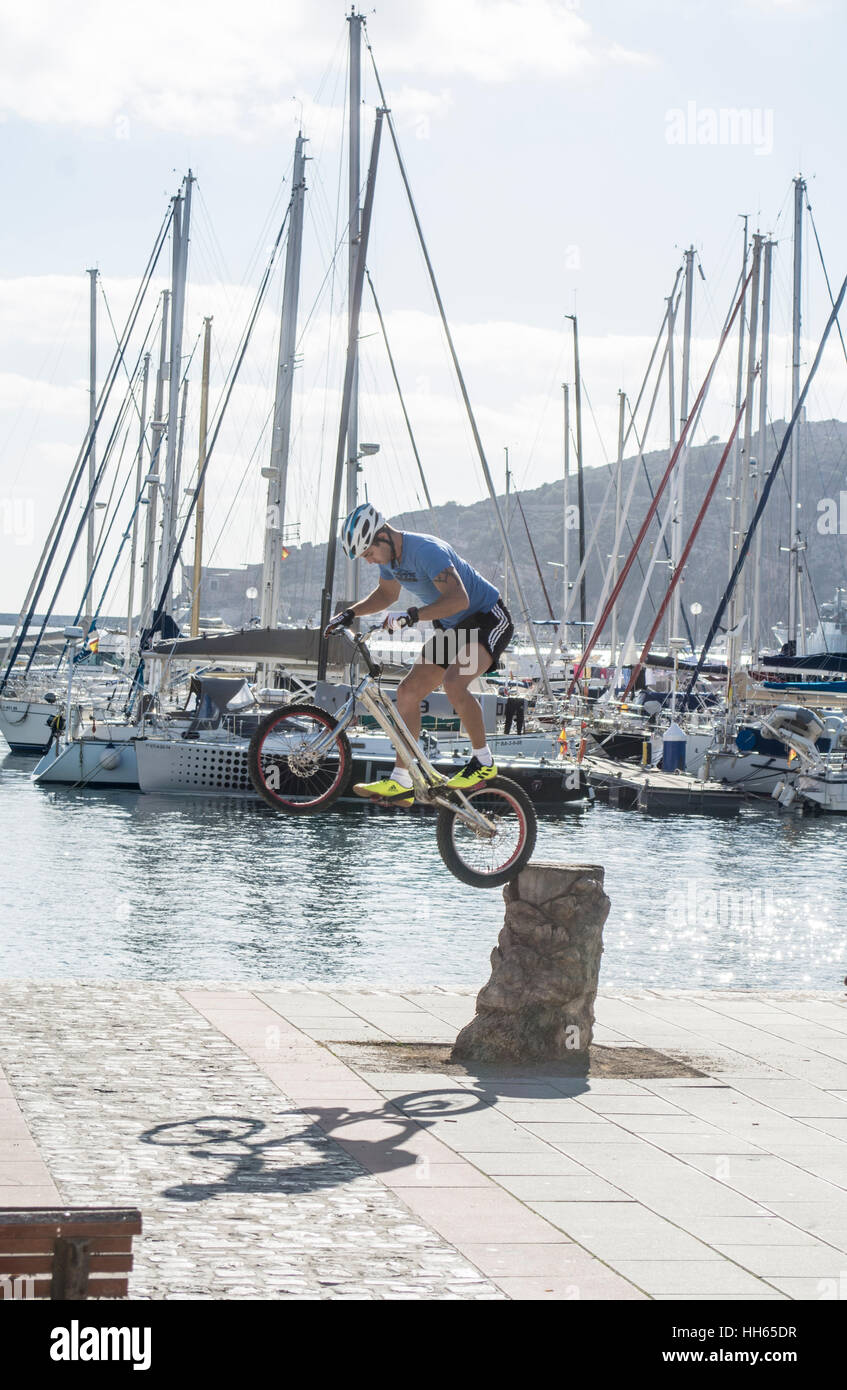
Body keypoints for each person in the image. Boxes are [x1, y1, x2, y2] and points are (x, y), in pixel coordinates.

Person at [324, 502, 514, 805]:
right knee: (409, 691)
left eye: (369, 553)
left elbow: (459, 600)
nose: (370, 561)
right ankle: (402, 781)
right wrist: (349, 614)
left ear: (383, 536)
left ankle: (483, 761)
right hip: (455, 628)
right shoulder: (391, 561)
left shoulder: (426, 551)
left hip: (486, 618)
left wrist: (412, 616)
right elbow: (386, 595)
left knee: (454, 683)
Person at [503, 667, 527, 736]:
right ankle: (518, 733)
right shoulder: (521, 684)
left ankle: (507, 733)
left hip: (513, 700)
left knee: (510, 718)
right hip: (518, 700)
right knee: (517, 718)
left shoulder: (513, 684)